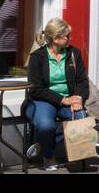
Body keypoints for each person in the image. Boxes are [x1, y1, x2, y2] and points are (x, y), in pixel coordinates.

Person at [23, 18, 91, 170]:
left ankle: (76, 156)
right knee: (46, 126)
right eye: (67, 36)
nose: (70, 39)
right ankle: (48, 156)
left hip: (69, 99)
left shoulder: (74, 53)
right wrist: (63, 100)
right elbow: (36, 89)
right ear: (55, 38)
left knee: (81, 118)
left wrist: (79, 98)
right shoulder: (37, 57)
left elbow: (82, 81)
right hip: (43, 100)